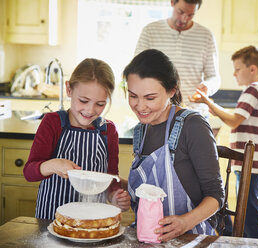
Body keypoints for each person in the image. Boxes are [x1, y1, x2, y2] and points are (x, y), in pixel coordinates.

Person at [123, 49, 224, 242]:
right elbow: (151, 191)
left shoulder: (192, 125)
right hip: (148, 236)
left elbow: (216, 195)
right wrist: (120, 187)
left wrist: (185, 222)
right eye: (133, 96)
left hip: (191, 237)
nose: (140, 106)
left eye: (150, 98)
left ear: (172, 90)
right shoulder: (141, 130)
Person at [23, 58, 131, 219]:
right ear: (69, 89)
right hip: (52, 218)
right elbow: (29, 173)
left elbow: (110, 176)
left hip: (93, 220)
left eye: (100, 104)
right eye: (83, 101)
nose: (90, 110)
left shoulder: (108, 130)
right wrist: (52, 165)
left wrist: (115, 197)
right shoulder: (53, 123)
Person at [190, 45, 258, 238]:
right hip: (249, 164)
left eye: (237, 69)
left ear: (253, 69)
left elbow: (234, 120)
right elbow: (235, 118)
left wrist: (208, 102)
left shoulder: (253, 90)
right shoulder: (256, 90)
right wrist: (213, 108)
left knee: (250, 214)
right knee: (249, 210)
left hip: (250, 164)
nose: (234, 73)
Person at [134, 0, 221, 117]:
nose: (184, 19)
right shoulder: (150, 31)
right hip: (157, 113)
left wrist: (207, 87)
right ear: (172, 3)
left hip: (194, 114)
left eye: (190, 15)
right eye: (180, 12)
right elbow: (136, 71)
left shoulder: (206, 36)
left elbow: (214, 77)